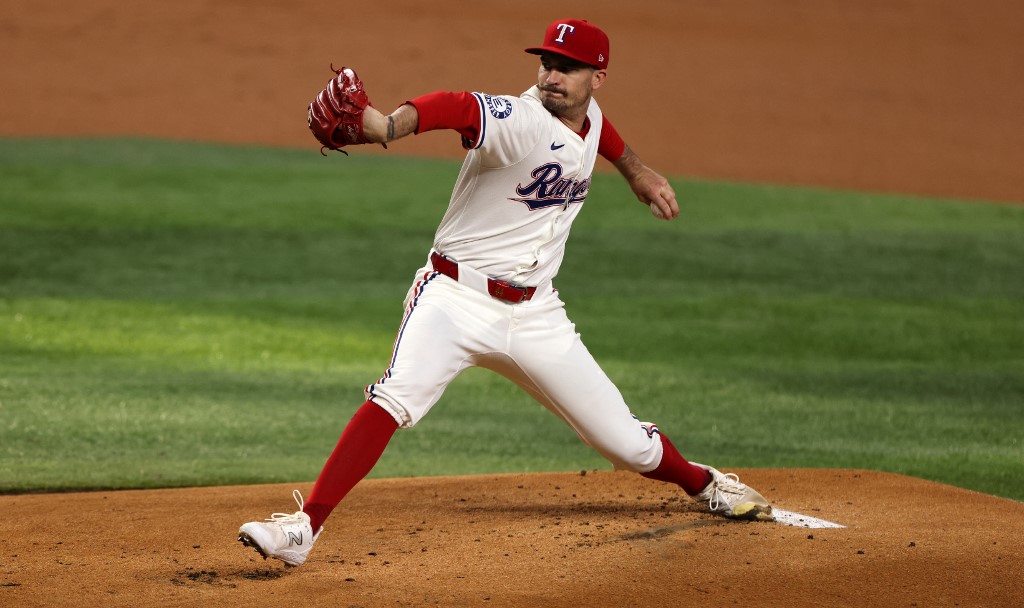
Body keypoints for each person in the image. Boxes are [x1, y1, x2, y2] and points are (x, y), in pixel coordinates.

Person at [238, 18, 772, 568]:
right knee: (394, 398)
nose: (552, 75)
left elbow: (598, 132)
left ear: (598, 77)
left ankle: (704, 483)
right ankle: (304, 527)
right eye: (546, 63)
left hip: (537, 313)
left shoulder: (586, 119)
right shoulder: (521, 117)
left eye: (568, 67)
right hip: (454, 298)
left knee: (626, 444)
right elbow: (458, 105)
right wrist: (387, 125)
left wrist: (636, 171)